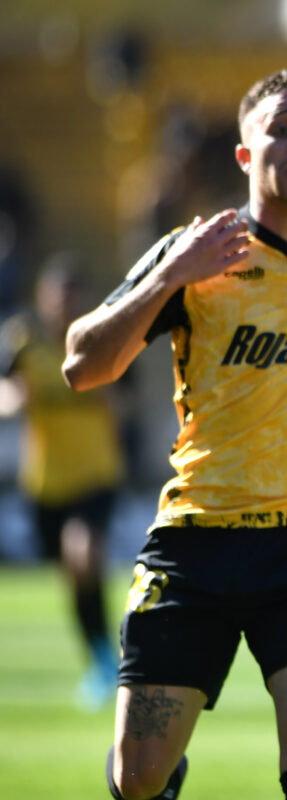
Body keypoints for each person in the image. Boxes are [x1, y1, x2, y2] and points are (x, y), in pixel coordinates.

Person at [61, 69, 287, 800]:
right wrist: (168, 278)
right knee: (139, 776)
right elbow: (82, 366)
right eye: (281, 129)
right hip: (198, 537)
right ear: (246, 154)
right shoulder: (195, 251)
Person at [0, 254, 128, 710]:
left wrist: (112, 402)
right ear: (44, 300)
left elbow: (126, 404)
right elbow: (7, 390)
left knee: (83, 553)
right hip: (46, 483)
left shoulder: (105, 342)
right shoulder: (24, 344)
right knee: (75, 576)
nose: (64, 309)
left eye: (72, 300)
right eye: (58, 300)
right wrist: (14, 399)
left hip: (96, 475)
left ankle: (109, 664)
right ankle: (99, 658)